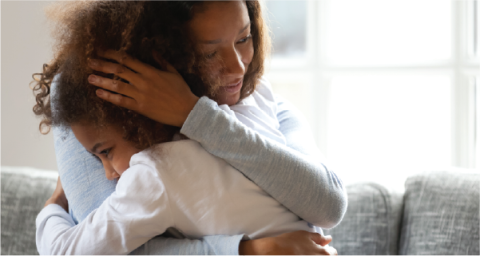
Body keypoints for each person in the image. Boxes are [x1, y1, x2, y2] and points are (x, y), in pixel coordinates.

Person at [32, 0, 347, 255]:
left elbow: (328, 205)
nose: (239, 66)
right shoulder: (93, 99)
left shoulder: (258, 101)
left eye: (244, 37)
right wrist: (246, 251)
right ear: (170, 57)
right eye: (210, 52)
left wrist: (53, 205)